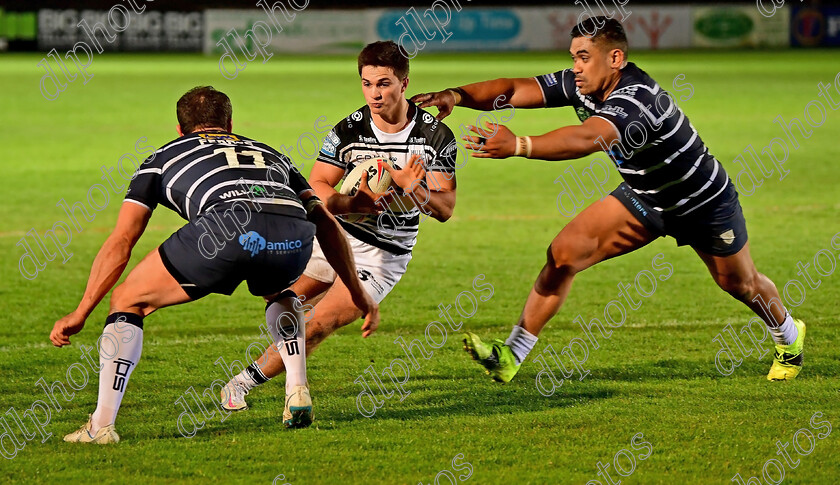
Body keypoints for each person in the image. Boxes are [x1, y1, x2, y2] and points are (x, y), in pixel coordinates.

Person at [411, 17, 805, 383]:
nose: (576, 67)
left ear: (615, 58)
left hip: (702, 204)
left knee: (739, 283)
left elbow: (589, 138)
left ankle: (789, 337)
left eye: (584, 57)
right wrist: (456, 95)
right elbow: (514, 89)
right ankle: (511, 356)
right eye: (573, 58)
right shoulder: (581, 85)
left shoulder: (638, 97)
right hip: (645, 198)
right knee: (564, 254)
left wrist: (520, 144)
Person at [50, 86, 379, 442]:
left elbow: (122, 240)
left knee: (128, 300)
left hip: (224, 228)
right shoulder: (273, 155)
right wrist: (359, 293)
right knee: (279, 291)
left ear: (179, 129)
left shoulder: (161, 156)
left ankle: (101, 426)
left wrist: (82, 311)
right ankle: (296, 387)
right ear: (231, 124)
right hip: (294, 236)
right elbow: (326, 224)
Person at [219, 40, 457, 411]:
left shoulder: (434, 137)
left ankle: (247, 384)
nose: (374, 94)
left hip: (383, 254)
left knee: (318, 323)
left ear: (404, 84)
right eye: (367, 84)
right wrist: (352, 204)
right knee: (284, 302)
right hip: (336, 238)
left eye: (384, 83)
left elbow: (444, 209)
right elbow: (317, 186)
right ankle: (276, 384)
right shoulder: (349, 130)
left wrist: (414, 188)